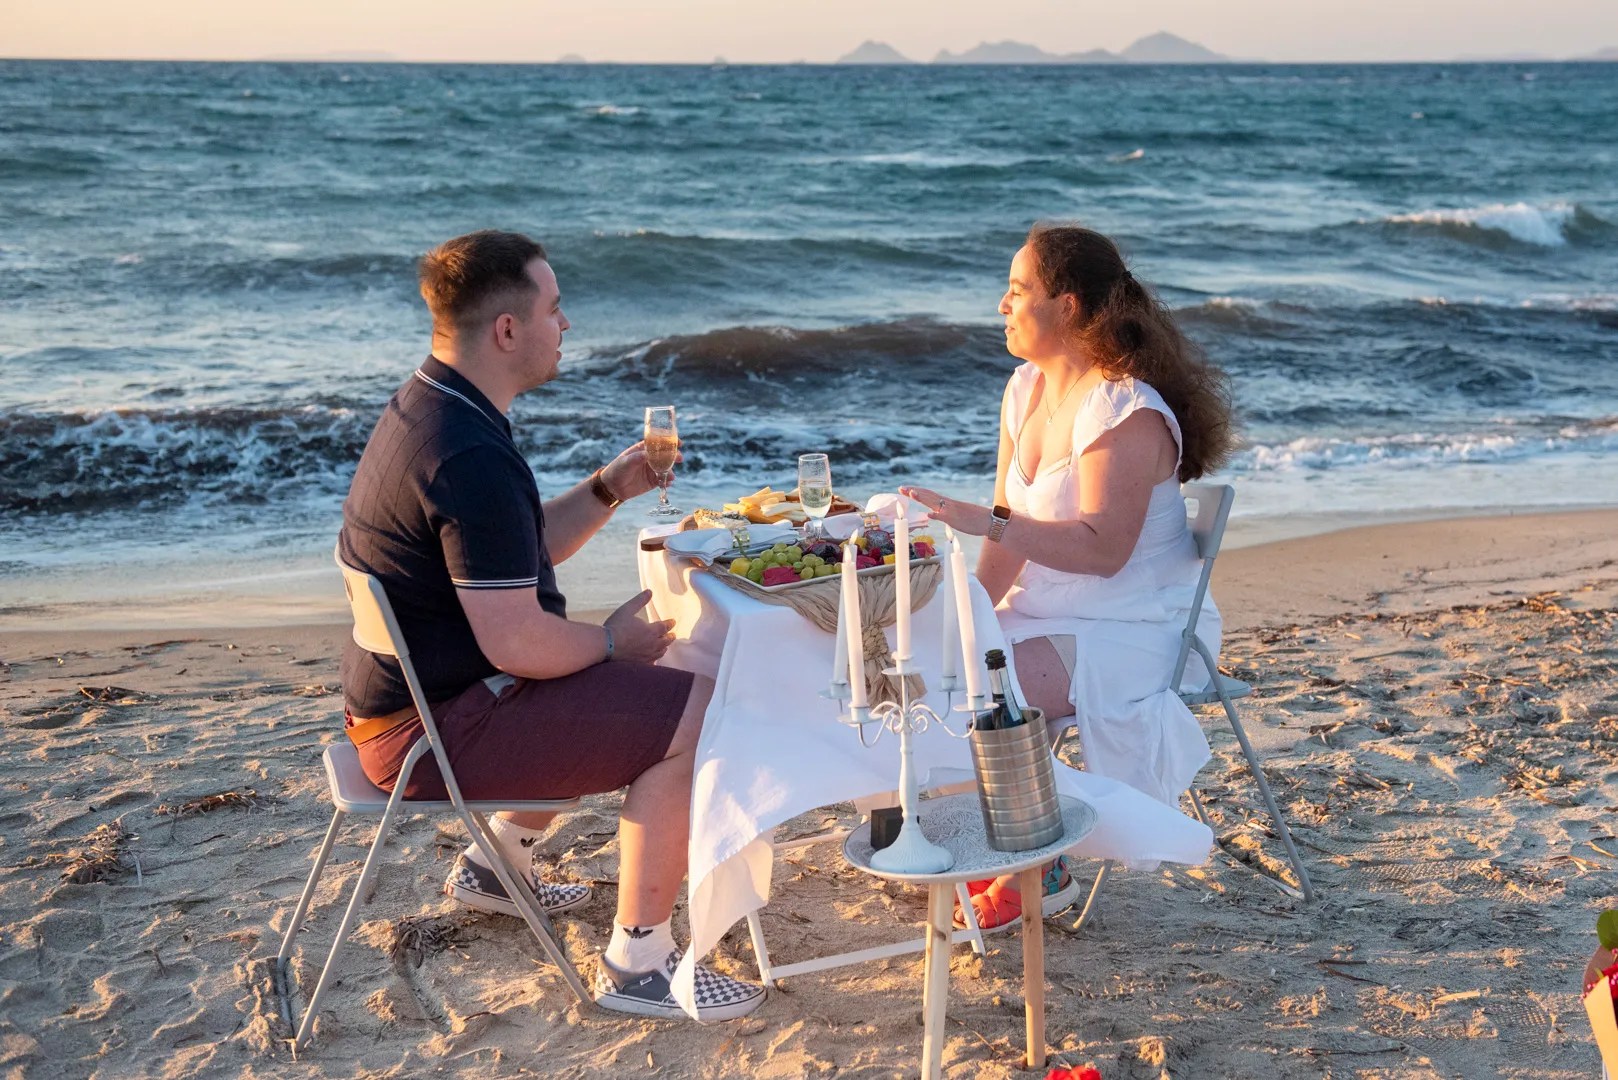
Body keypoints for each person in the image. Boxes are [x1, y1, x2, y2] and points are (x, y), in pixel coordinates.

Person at [337, 229, 763, 1021]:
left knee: (642, 682)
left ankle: (498, 867)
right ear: (507, 330)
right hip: (431, 733)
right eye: (554, 309)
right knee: (697, 711)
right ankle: (640, 963)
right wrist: (611, 643)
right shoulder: (466, 452)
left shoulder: (433, 406)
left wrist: (608, 489)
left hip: (410, 708)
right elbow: (520, 644)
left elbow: (512, 548)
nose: (565, 325)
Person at [902, 223, 1235, 930]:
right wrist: (967, 616)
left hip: (1135, 625)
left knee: (980, 701)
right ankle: (985, 843)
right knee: (930, 671)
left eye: (1019, 291)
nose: (1002, 305)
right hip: (1053, 608)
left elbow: (1101, 550)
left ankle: (1039, 867)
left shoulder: (1126, 412)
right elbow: (1009, 534)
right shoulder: (1024, 389)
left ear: (1069, 307)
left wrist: (980, 521)